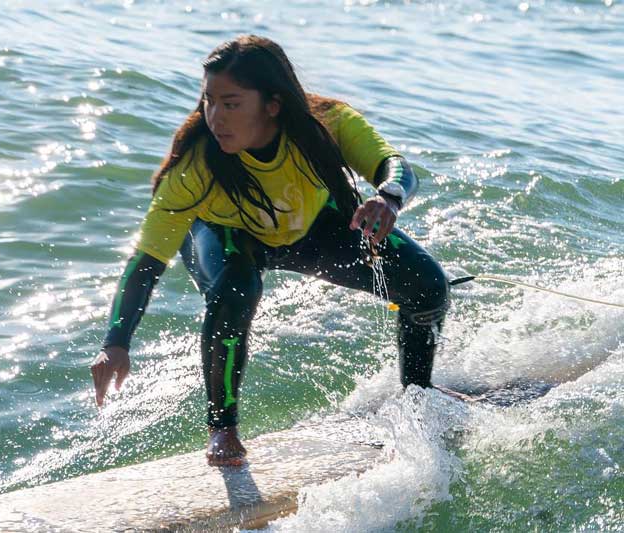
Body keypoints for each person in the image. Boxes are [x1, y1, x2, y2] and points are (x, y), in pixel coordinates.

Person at [91, 35, 449, 466]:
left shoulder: (327, 122)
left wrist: (388, 199)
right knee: (236, 288)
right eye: (209, 101)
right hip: (225, 237)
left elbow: (394, 166)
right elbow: (146, 260)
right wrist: (116, 342)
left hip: (310, 229)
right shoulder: (195, 165)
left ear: (272, 105)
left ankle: (417, 396)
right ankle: (222, 428)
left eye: (231, 104)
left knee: (428, 285)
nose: (215, 117)